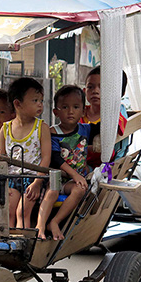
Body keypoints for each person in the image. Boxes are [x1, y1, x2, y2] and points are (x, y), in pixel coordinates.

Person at [42, 85, 100, 240]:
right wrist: (75, 175)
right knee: (52, 189)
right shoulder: (53, 132)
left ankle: (55, 221)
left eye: (76, 107)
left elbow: (106, 126)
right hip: (56, 179)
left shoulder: (86, 129)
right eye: (65, 107)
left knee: (80, 190)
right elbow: (55, 158)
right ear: (56, 112)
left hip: (73, 182)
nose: (70, 111)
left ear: (83, 111)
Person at [0, 77, 53, 231]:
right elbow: (2, 160)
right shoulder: (5, 129)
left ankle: (23, 244)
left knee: (22, 212)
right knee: (9, 212)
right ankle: (6, 243)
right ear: (17, 104)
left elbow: (46, 157)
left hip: (33, 179)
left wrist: (37, 182)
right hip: (12, 179)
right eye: (35, 100)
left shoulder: (41, 127)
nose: (40, 104)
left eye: (41, 100)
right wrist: (4, 183)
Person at [81, 66, 129, 168]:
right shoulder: (79, 112)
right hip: (78, 162)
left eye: (102, 87)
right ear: (84, 90)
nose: (95, 91)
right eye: (90, 87)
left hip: (105, 166)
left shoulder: (116, 112)